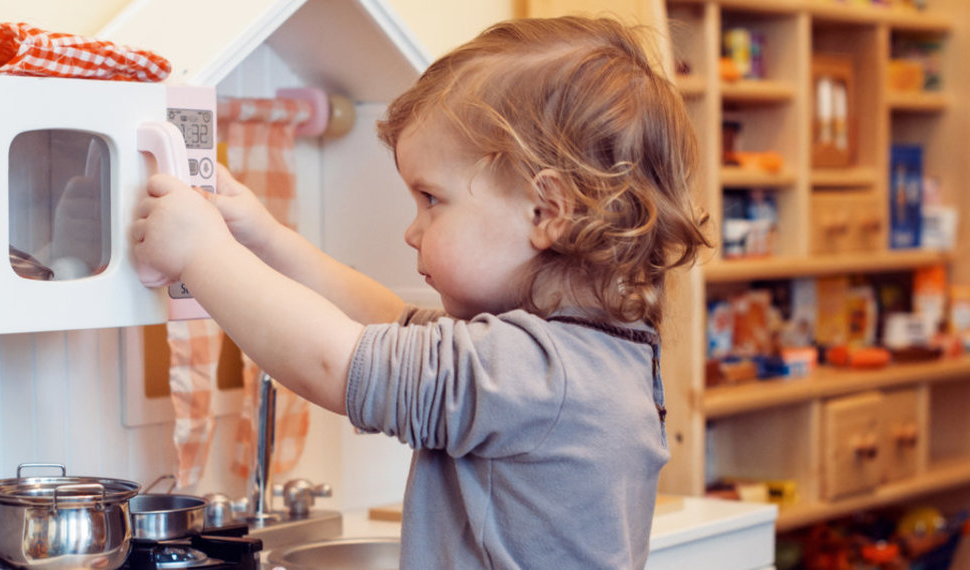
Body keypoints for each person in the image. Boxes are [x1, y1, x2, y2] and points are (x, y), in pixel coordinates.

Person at [130, 15, 710, 569]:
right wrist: (267, 238)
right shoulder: (592, 352)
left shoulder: (533, 373)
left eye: (431, 199)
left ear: (546, 209)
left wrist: (200, 253)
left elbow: (335, 362)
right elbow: (391, 322)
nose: (413, 230)